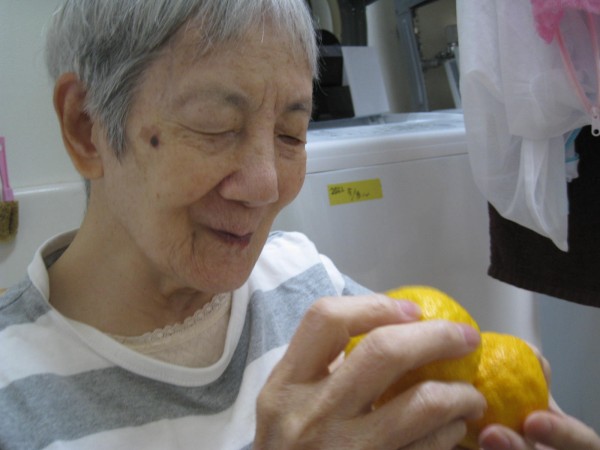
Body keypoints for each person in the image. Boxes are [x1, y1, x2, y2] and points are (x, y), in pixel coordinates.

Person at [0, 1, 597, 449]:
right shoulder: (13, 400)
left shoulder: (308, 279)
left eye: (290, 134)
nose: (267, 183)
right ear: (87, 128)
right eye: (215, 125)